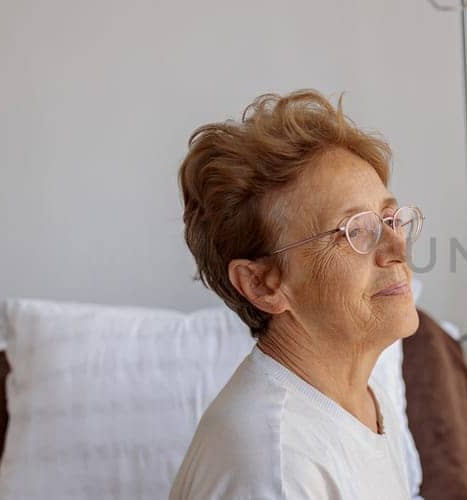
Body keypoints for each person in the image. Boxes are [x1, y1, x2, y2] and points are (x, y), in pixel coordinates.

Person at [170, 89, 424, 499]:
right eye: (356, 230)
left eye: (390, 218)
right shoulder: (274, 469)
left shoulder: (364, 401)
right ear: (263, 284)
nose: (397, 248)